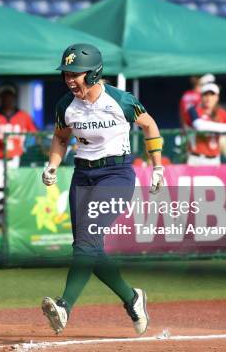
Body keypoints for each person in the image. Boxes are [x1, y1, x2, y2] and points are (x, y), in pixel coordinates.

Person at [40, 43, 164, 337]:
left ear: (94, 73)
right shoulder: (65, 106)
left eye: (76, 74)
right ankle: (132, 299)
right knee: (88, 247)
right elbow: (60, 138)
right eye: (66, 74)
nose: (70, 80)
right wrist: (53, 165)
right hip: (83, 175)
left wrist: (157, 166)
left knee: (86, 245)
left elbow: (149, 125)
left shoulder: (121, 100)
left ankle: (64, 306)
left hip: (116, 175)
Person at [184, 82, 226, 166]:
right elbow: (200, 125)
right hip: (196, 159)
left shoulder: (220, 112)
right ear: (201, 96)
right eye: (206, 95)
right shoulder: (193, 110)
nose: (209, 98)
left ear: (217, 97)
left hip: (215, 159)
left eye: (212, 95)